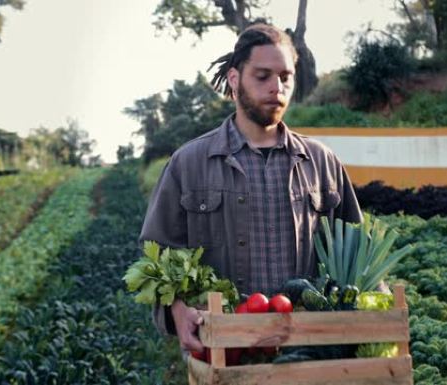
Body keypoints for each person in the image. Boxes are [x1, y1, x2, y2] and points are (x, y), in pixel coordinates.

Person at [139, 23, 362, 356]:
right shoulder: (189, 164)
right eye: (262, 76)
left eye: (285, 77)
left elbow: (357, 253)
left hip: (311, 354)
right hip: (224, 349)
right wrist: (176, 308)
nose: (277, 87)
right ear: (234, 79)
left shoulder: (321, 162)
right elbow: (156, 249)